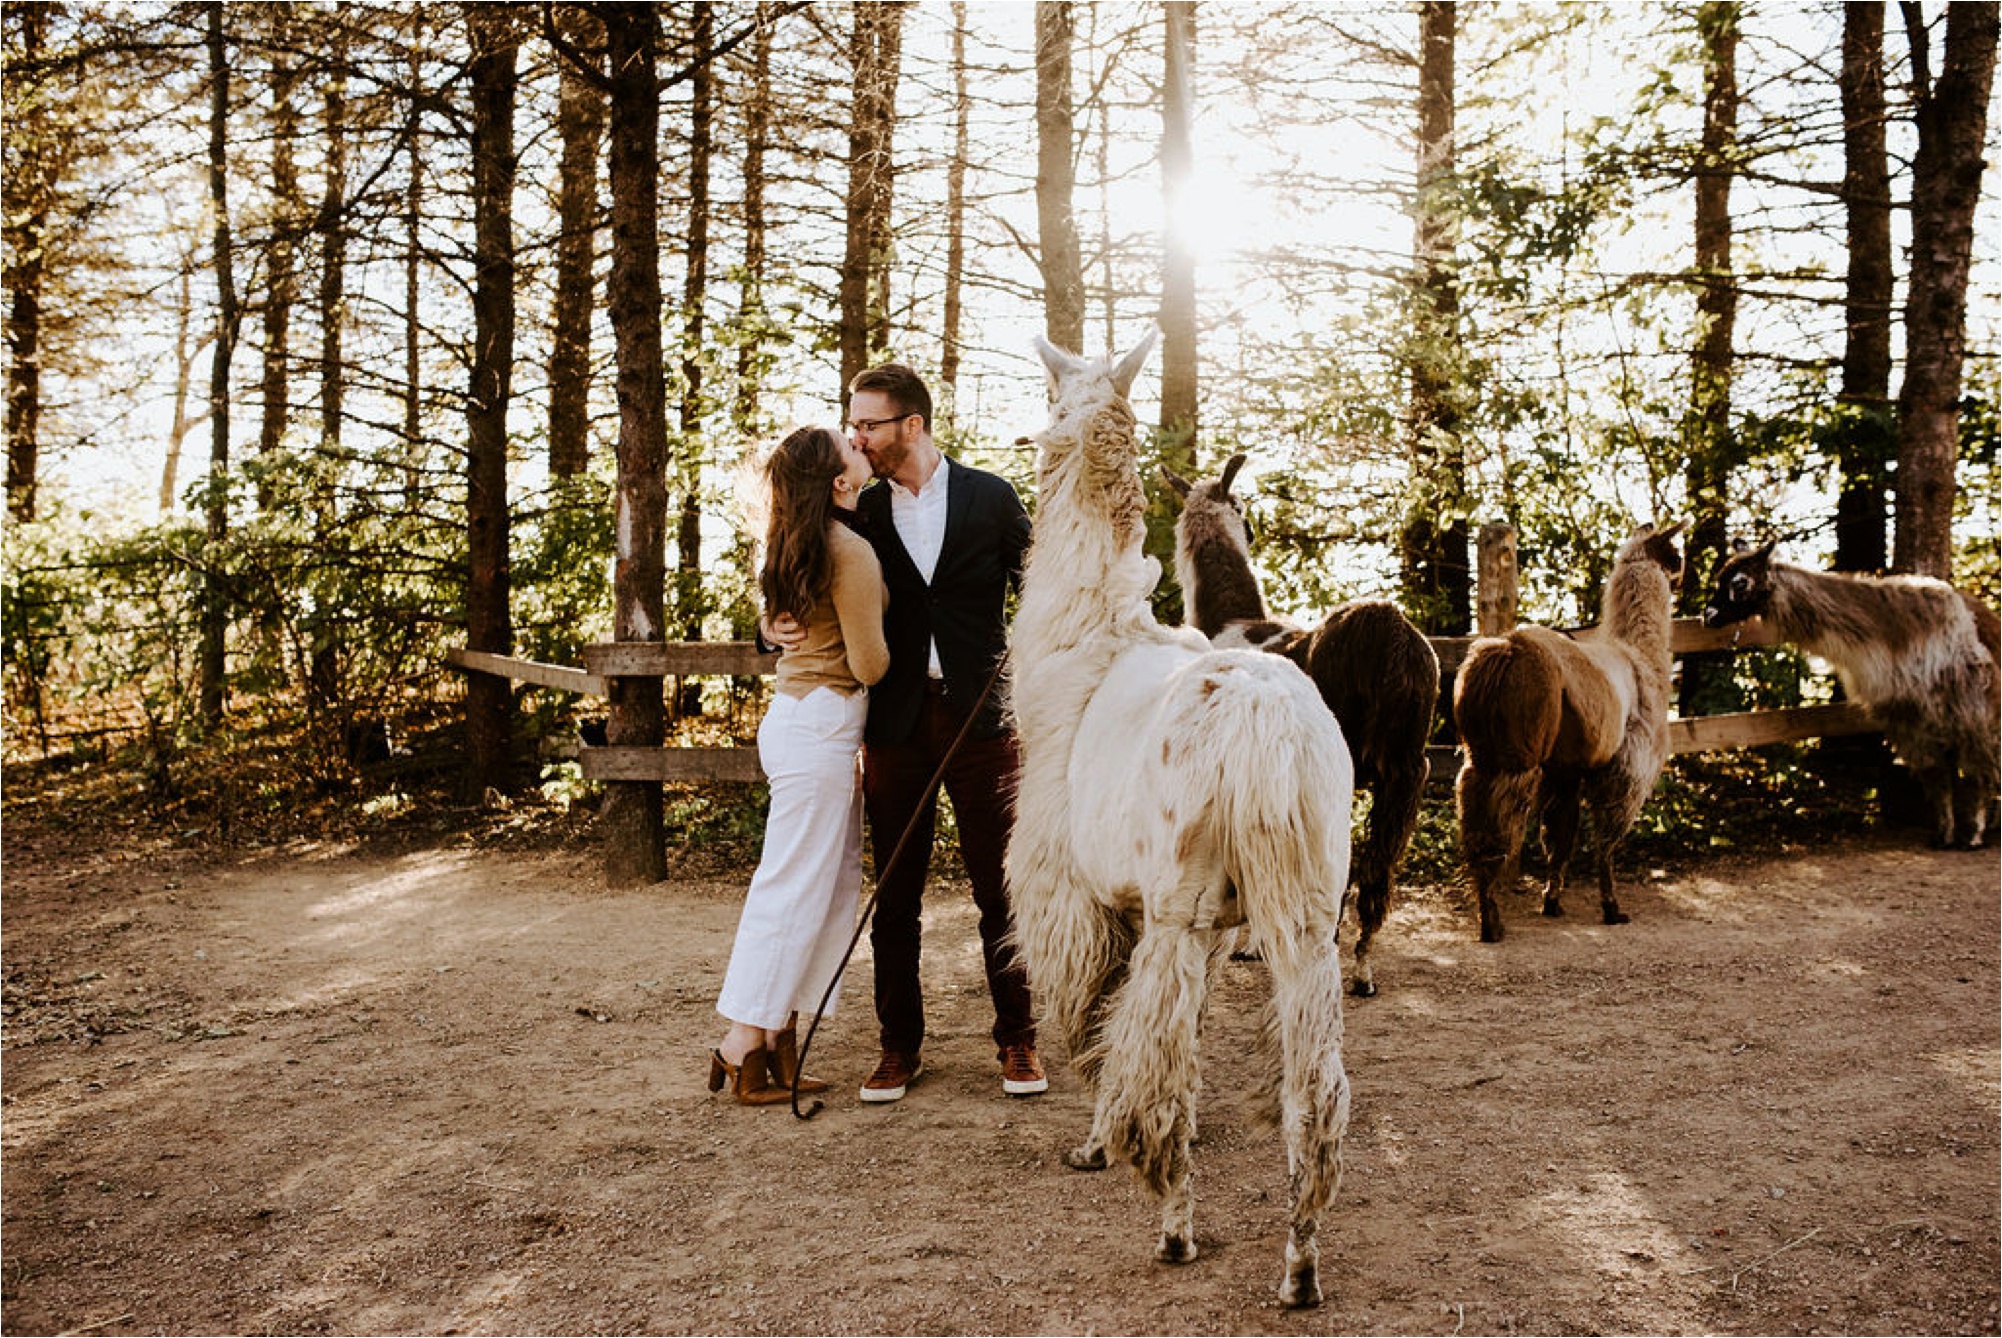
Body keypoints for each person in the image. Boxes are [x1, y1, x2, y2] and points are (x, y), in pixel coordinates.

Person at [776, 363, 1045, 1104]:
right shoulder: (857, 511)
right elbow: (798, 577)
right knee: (895, 895)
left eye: (869, 424)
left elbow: (1045, 585)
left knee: (1002, 888)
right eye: (853, 424)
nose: (856, 437)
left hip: (984, 721)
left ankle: (1018, 1040)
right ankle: (899, 1047)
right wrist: (773, 624)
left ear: (913, 425)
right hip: (892, 722)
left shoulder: (991, 497)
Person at [710, 424, 887, 1106]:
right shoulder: (848, 551)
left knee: (824, 890)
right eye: (847, 441)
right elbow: (870, 664)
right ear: (839, 481)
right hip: (821, 725)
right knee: (792, 889)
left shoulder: (795, 538)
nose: (857, 438)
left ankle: (777, 1039)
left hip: (800, 721)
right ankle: (738, 1044)